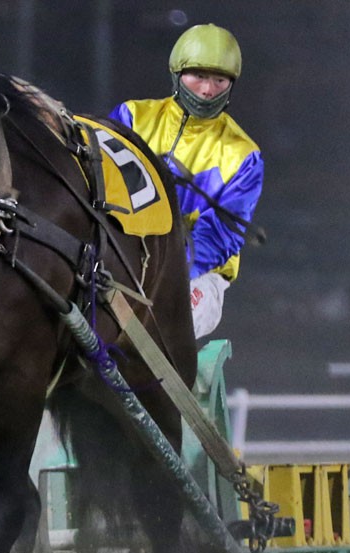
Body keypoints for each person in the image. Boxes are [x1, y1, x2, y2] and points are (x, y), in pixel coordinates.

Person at [109, 23, 263, 344]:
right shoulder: (131, 118)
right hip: (118, 260)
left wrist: (164, 271)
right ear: (177, 74)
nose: (207, 90)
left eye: (219, 80)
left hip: (197, 278)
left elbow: (219, 236)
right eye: (198, 77)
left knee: (160, 319)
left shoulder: (244, 155)